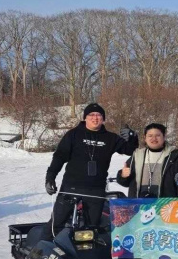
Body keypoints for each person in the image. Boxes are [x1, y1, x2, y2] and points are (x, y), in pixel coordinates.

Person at [42, 103, 138, 241]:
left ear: (103, 119)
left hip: (96, 190)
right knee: (57, 222)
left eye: (98, 115)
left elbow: (130, 150)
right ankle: (41, 249)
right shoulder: (73, 134)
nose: (95, 118)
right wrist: (50, 177)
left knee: (91, 227)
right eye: (91, 115)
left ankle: (84, 257)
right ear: (85, 118)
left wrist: (132, 137)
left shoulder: (110, 138)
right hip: (72, 186)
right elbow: (59, 157)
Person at [116, 123, 178, 259]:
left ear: (164, 137)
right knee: (140, 245)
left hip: (164, 206)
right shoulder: (136, 155)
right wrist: (122, 175)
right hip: (139, 206)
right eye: (150, 135)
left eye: (158, 135)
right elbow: (124, 181)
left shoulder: (175, 156)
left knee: (161, 244)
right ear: (145, 138)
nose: (154, 138)